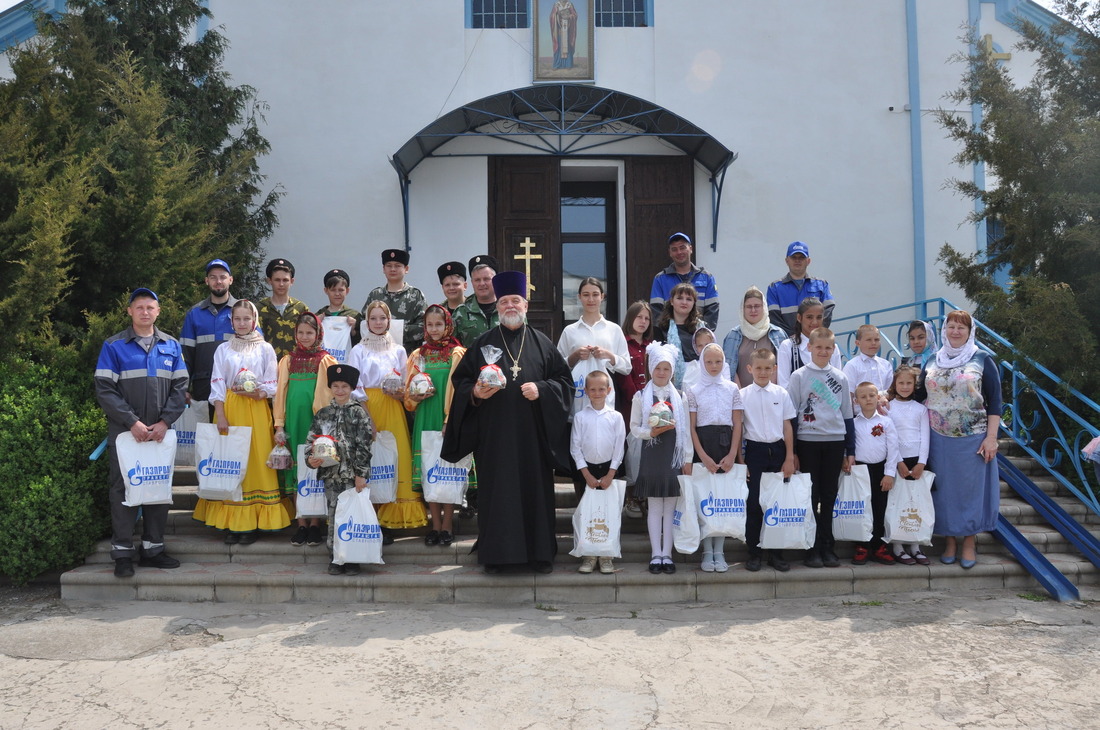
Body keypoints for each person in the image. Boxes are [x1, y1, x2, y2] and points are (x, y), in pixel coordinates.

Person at [442, 271, 573, 574]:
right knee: (498, 494)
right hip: (495, 438)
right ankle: (498, 556)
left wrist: (542, 389)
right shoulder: (482, 344)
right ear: (498, 306)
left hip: (532, 438)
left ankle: (539, 555)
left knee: (534, 494)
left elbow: (565, 383)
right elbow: (460, 383)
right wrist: (475, 392)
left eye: (516, 301)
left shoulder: (542, 344)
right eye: (505, 302)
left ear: (526, 306)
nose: (510, 306)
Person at [94, 288, 188, 578]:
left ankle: (153, 549)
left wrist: (165, 422)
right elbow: (105, 391)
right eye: (139, 307)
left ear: (158, 312)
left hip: (159, 433)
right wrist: (132, 422)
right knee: (122, 490)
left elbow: (180, 388)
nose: (145, 312)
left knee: (157, 488)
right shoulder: (113, 346)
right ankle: (122, 553)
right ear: (130, 312)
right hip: (126, 434)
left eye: (150, 307)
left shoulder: (171, 345)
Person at [192, 300, 292, 543]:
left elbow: (272, 382)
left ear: (254, 320)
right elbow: (217, 382)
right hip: (231, 407)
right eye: (237, 319)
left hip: (256, 408)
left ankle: (251, 523)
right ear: (232, 321)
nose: (242, 323)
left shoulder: (265, 348)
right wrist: (221, 415)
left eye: (247, 319)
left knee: (254, 460)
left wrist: (258, 393)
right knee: (230, 459)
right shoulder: (224, 349)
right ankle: (232, 521)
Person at [924, 310, 1002, 570]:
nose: (956, 331)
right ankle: (949, 542)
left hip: (973, 438)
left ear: (970, 332)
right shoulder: (932, 361)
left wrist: (992, 438)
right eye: (951, 326)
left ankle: (969, 541)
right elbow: (916, 395)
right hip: (938, 438)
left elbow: (995, 402)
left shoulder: (981, 359)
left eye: (962, 327)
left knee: (969, 493)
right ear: (944, 330)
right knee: (944, 492)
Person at [349, 301, 422, 539]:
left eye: (382, 318)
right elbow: (355, 386)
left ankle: (394, 517)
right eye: (373, 319)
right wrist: (367, 418)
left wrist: (401, 392)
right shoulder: (358, 350)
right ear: (366, 322)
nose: (378, 323)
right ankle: (372, 517)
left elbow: (405, 380)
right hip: (368, 407)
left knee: (395, 457)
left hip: (393, 407)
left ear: (389, 321)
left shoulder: (399, 350)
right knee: (371, 459)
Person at [786, 327, 855, 569]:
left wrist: (850, 451)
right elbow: (791, 416)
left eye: (828, 347)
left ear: (834, 349)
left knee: (829, 496)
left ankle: (828, 546)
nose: (823, 351)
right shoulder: (799, 376)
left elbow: (847, 416)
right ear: (809, 348)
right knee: (811, 496)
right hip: (807, 442)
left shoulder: (841, 377)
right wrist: (792, 451)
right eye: (818, 347)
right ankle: (812, 548)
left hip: (835, 442)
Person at [305, 363, 375, 576]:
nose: (340, 390)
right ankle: (336, 557)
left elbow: (365, 445)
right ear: (330, 388)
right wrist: (311, 459)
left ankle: (353, 558)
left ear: (352, 388)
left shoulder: (358, 413)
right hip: (331, 475)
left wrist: (361, 474)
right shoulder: (323, 413)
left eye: (345, 386)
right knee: (334, 516)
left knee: (352, 517)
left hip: (352, 477)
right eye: (335, 385)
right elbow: (311, 441)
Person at [273, 312, 336, 547]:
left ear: (318, 334)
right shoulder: (288, 360)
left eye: (310, 332)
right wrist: (279, 425)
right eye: (301, 332)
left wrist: (327, 427)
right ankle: (301, 523)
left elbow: (331, 395)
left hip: (316, 422)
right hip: (294, 422)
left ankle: (315, 525)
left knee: (316, 468)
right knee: (297, 471)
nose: (305, 336)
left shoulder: (326, 360)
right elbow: (280, 393)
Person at [403, 304, 464, 545]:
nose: (435, 329)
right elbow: (408, 395)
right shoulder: (418, 355)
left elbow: (458, 391)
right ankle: (434, 525)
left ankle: (447, 525)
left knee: (446, 471)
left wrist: (450, 419)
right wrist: (413, 398)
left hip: (445, 418)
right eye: (430, 325)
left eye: (439, 324)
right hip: (425, 416)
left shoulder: (457, 353)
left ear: (447, 325)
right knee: (430, 471)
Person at [630, 342, 693, 575]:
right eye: (658, 368)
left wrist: (687, 459)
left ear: (672, 371)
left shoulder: (681, 398)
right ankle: (656, 553)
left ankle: (668, 553)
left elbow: (685, 431)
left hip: (673, 455)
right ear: (650, 369)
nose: (662, 373)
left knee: (671, 507)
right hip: (653, 452)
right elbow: (634, 427)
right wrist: (651, 433)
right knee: (655, 506)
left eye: (667, 369)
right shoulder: (641, 396)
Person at [686, 343, 744, 573]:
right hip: (704, 445)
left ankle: (719, 551)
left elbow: (738, 423)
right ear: (702, 362)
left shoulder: (732, 389)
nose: (713, 366)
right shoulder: (693, 390)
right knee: (705, 499)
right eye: (708, 361)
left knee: (722, 501)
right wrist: (701, 455)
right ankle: (706, 550)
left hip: (725, 445)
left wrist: (732, 454)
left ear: (724, 363)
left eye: (718, 361)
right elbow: (691, 427)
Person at [739, 348, 796, 572]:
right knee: (754, 504)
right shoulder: (742, 395)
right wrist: (741, 461)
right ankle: (754, 553)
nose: (763, 372)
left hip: (778, 451)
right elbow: (739, 428)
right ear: (749, 369)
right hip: (754, 452)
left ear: (774, 370)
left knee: (777, 504)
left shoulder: (781, 393)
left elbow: (787, 426)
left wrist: (789, 457)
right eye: (759, 368)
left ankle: (776, 553)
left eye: (767, 368)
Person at [570, 370, 625, 574]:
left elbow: (620, 446)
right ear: (586, 391)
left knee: (609, 514)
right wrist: (586, 475)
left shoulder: (616, 417)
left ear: (608, 390)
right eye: (592, 389)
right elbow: (575, 447)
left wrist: (611, 473)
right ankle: (588, 555)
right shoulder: (580, 417)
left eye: (601, 389)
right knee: (587, 514)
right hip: (587, 471)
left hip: (609, 469)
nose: (597, 392)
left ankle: (606, 555)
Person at [557, 276, 631, 415]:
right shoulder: (570, 330)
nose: (591, 300)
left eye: (595, 295)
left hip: (606, 394)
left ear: (602, 297)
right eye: (586, 295)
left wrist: (608, 355)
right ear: (579, 297)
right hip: (578, 392)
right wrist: (575, 356)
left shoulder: (613, 329)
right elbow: (558, 366)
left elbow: (626, 367)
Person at [850, 382, 900, 566]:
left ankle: (879, 546)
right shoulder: (854, 423)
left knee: (879, 508)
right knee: (862, 509)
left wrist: (889, 474)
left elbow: (893, 449)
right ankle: (861, 545)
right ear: (856, 401)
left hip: (880, 470)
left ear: (878, 397)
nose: (868, 399)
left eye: (872, 395)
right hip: (861, 471)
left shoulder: (886, 422)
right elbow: (850, 447)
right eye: (863, 397)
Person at [886, 365, 931, 565]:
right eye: (901, 383)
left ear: (915, 385)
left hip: (917, 462)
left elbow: (925, 437)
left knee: (916, 504)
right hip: (897, 462)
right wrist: (898, 462)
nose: (905, 387)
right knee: (897, 503)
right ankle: (897, 544)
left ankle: (915, 544)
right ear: (895, 384)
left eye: (909, 383)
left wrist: (922, 462)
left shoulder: (921, 409)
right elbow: (890, 437)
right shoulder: (887, 407)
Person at [180, 259, 238, 411]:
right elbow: (185, 355)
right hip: (203, 388)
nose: (218, 281)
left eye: (223, 277)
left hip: (236, 388)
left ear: (230, 280)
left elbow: (257, 349)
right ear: (206, 281)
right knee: (205, 434)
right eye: (213, 277)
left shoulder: (243, 311)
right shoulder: (194, 314)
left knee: (235, 433)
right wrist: (183, 388)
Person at [615, 300, 652, 519]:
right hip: (630, 406)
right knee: (630, 448)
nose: (643, 321)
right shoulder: (622, 344)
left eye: (647, 318)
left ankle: (645, 494)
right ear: (631, 318)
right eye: (639, 317)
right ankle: (631, 496)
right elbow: (623, 376)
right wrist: (638, 399)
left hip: (651, 407)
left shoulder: (652, 346)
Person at [649, 232, 720, 330]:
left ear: (690, 249)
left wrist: (701, 335)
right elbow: (656, 313)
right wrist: (667, 335)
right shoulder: (660, 279)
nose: (679, 252)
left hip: (699, 339)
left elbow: (712, 312)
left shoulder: (707, 278)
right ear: (670, 252)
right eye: (674, 249)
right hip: (669, 339)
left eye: (682, 248)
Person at [363, 248, 426, 355]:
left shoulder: (415, 295)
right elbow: (364, 323)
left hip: (407, 356)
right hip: (377, 355)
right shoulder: (375, 295)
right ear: (383, 269)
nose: (393, 269)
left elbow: (423, 327)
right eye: (389, 265)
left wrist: (395, 329)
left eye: (397, 266)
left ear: (406, 269)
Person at [722, 286, 787, 387]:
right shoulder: (733, 335)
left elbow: (783, 367)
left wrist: (770, 391)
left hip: (771, 395)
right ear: (742, 309)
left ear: (764, 308)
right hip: (741, 396)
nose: (753, 310)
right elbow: (728, 368)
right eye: (749, 306)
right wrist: (739, 395)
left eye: (757, 306)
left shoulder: (778, 334)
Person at [766, 241, 835, 336]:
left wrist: (815, 334)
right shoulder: (774, 288)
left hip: (815, 342)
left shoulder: (822, 285)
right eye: (794, 257)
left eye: (801, 257)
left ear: (808, 261)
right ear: (787, 260)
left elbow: (827, 313)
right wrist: (793, 337)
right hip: (788, 342)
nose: (797, 260)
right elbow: (774, 318)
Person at [776, 297, 842, 389]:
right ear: (799, 318)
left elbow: (838, 383)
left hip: (828, 403)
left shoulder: (832, 347)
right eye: (809, 317)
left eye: (819, 317)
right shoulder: (787, 346)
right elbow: (784, 385)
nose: (814, 322)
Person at [256, 258, 310, 361]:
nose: (281, 284)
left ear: (292, 281)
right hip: (267, 364)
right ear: (269, 281)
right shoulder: (259, 308)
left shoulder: (301, 308)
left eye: (285, 280)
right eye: (277, 280)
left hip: (295, 365)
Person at [654, 282, 702, 390]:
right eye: (680, 298)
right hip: (670, 385)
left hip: (698, 384)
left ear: (694, 303)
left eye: (689, 299)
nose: (684, 302)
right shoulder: (661, 329)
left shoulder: (701, 328)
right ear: (671, 301)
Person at [453, 255, 500, 348]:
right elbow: (452, 348)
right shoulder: (461, 312)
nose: (482, 283)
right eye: (477, 280)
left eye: (486, 279)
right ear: (472, 282)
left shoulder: (509, 308)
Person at [842, 325, 894, 409]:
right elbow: (849, 395)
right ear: (857, 343)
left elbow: (891, 391)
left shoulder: (886, 364)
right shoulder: (852, 365)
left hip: (884, 413)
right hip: (860, 415)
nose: (873, 343)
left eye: (876, 340)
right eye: (869, 340)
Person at [317, 268, 362, 353]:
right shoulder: (319, 315)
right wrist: (316, 325)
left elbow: (362, 343)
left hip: (346, 362)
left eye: (341, 290)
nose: (337, 294)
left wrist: (353, 331)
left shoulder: (355, 316)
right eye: (333, 290)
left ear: (347, 290)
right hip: (324, 362)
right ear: (326, 290)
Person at [680, 327, 729, 393]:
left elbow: (727, 387)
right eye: (700, 345)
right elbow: (687, 389)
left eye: (707, 344)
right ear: (695, 347)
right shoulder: (691, 367)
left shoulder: (724, 365)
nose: (704, 348)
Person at [900, 320, 936, 402]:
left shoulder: (937, 361)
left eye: (921, 337)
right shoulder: (908, 363)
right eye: (912, 338)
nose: (916, 342)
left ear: (929, 337)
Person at [550, 0, 578, 69]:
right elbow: (552, 16)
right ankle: (557, 64)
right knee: (559, 45)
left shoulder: (569, 4)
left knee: (567, 46)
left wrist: (570, 16)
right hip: (559, 29)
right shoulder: (557, 4)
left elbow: (575, 15)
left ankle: (568, 64)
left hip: (567, 29)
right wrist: (556, 14)